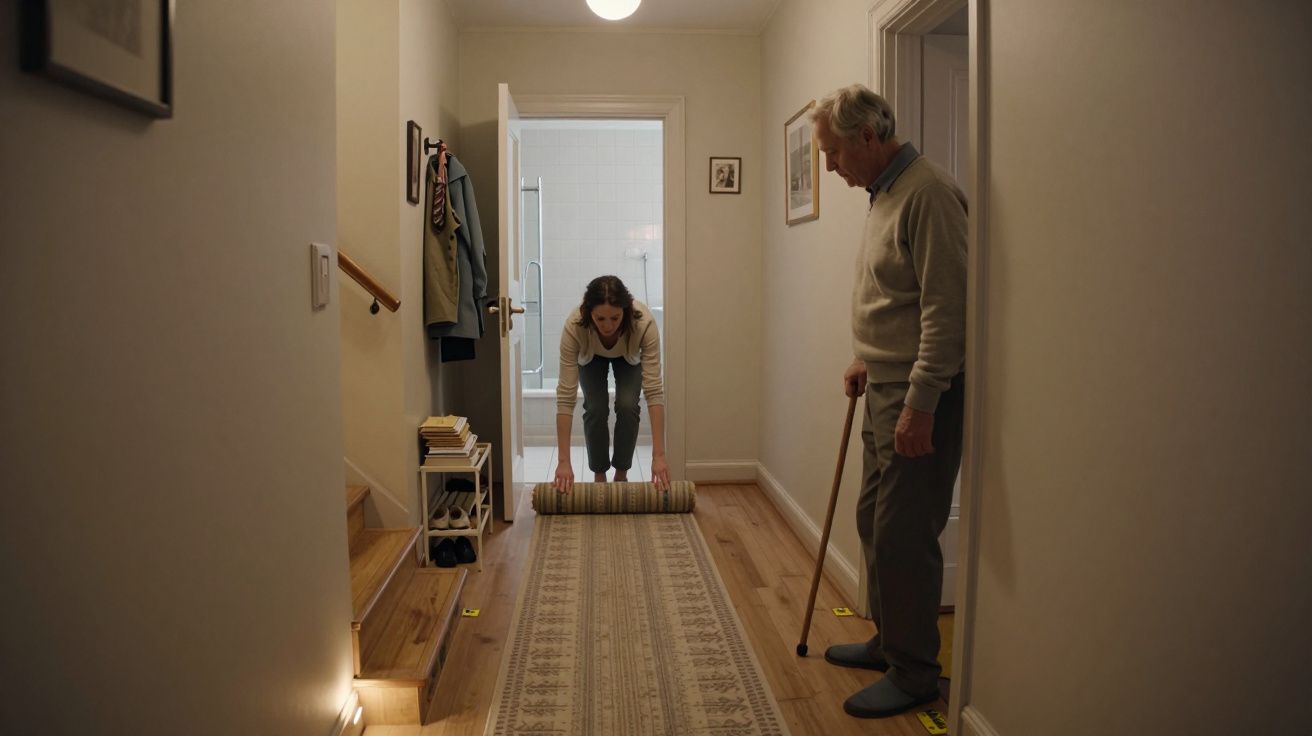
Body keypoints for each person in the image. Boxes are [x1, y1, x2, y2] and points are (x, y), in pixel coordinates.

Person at [812, 84, 968, 719]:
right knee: (873, 517)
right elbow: (893, 298)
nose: (829, 167)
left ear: (869, 137)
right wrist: (865, 358)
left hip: (917, 392)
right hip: (884, 380)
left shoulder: (928, 194)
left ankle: (916, 673)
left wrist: (922, 402)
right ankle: (891, 641)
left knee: (904, 532)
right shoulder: (884, 194)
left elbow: (946, 310)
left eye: (834, 153)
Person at [552, 275, 670, 492]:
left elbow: (654, 391)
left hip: (628, 355)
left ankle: (621, 476)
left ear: (625, 311)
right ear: (589, 314)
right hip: (590, 356)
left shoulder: (644, 323)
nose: (608, 326)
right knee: (596, 408)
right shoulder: (574, 325)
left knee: (627, 406)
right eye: (600, 319)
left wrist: (659, 456)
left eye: (615, 318)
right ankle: (600, 478)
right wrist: (563, 462)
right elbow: (565, 397)